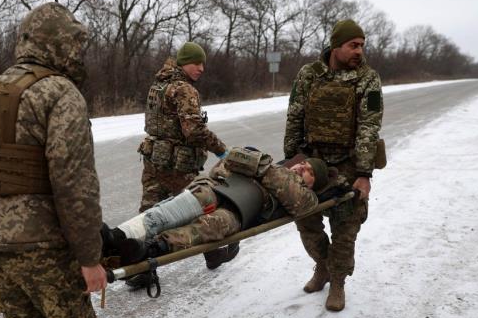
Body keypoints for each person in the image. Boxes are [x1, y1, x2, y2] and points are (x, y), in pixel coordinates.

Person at [0, 3, 106, 318]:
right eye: (75, 44)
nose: (79, 53)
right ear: (59, 43)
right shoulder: (60, 93)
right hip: (39, 244)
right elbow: (74, 184)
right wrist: (89, 258)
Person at [283, 19, 384, 312]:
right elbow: (295, 116)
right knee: (305, 218)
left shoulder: (368, 78)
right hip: (312, 161)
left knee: (345, 226)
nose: (359, 51)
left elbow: (369, 125)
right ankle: (322, 267)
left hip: (349, 164)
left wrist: (364, 174)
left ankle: (337, 281)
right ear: (336, 46)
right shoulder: (309, 74)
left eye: (362, 45)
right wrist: (292, 157)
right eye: (353, 45)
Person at [102, 147, 337, 267]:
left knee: (210, 228)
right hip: (220, 190)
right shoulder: (277, 170)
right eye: (303, 164)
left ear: (313, 184)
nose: (301, 169)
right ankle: (117, 236)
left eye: (309, 172)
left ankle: (150, 249)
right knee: (175, 209)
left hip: (240, 213)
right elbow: (230, 158)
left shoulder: (307, 197)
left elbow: (297, 200)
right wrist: (264, 168)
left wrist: (260, 167)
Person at [134, 41, 229, 275]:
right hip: (179, 166)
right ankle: (214, 254)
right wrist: (219, 149)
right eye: (196, 63)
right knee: (198, 207)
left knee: (147, 215)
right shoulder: (183, 88)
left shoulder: (158, 85)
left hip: (154, 159)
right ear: (184, 63)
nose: (201, 69)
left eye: (203, 64)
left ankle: (139, 271)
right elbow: (194, 130)